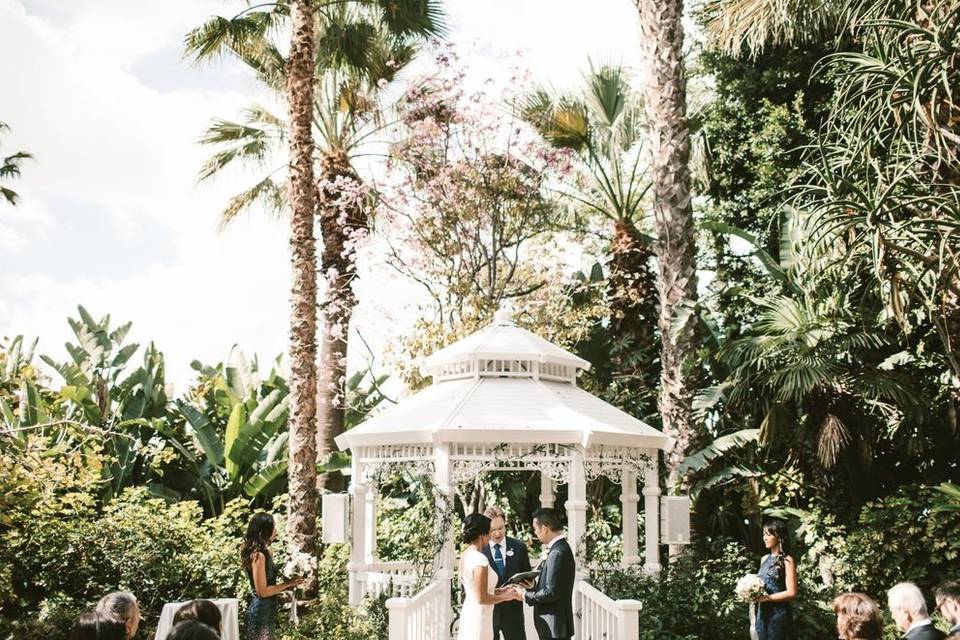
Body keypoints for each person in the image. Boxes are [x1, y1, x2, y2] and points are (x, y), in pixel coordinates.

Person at [457, 512, 524, 640]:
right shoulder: (480, 559)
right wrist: (506, 596)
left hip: (470, 611)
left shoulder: (466, 554)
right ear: (482, 535)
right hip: (480, 617)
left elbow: (477, 589)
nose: (491, 536)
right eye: (489, 532)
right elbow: (482, 598)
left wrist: (500, 591)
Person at [242, 512, 305, 640]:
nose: (276, 531)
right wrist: (288, 584)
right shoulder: (258, 556)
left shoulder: (266, 552)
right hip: (259, 616)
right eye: (273, 527)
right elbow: (262, 592)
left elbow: (269, 584)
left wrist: (287, 584)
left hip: (267, 614)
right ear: (265, 531)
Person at [521, 508, 575, 640]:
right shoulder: (561, 548)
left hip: (554, 627)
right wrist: (533, 584)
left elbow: (551, 592)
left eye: (536, 528)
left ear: (545, 528)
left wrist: (524, 595)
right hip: (554, 626)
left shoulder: (557, 553)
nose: (535, 532)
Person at [481, 506, 532, 640]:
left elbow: (527, 576)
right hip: (489, 612)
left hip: (513, 612)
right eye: (493, 530)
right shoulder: (480, 550)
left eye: (501, 528)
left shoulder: (519, 547)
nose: (498, 534)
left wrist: (528, 584)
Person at [753, 520, 797, 640]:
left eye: (768, 535)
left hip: (778, 614)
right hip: (762, 613)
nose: (764, 538)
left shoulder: (787, 560)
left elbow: (792, 592)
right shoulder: (764, 559)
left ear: (778, 536)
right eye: (763, 535)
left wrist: (767, 598)